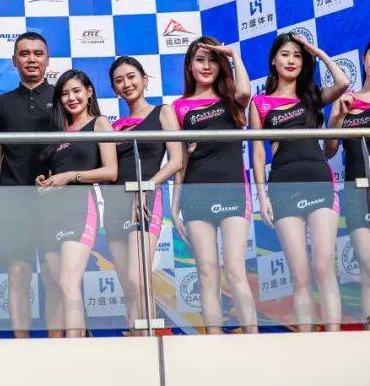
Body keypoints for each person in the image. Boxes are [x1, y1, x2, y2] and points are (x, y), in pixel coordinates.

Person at [251, 33, 348, 332]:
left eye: (297, 55)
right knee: (300, 275)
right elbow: (257, 154)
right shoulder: (260, 102)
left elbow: (343, 83)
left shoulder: (311, 96)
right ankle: (306, 345)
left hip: (319, 181)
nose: (291, 60)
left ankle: (334, 342)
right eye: (285, 54)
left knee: (324, 268)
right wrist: (262, 196)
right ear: (273, 60)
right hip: (282, 186)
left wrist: (318, 53)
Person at [170, 36, 257, 334]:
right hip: (195, 194)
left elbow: (245, 91)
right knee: (207, 273)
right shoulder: (178, 107)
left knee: (234, 271)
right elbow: (179, 161)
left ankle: (254, 343)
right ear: (189, 66)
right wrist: (174, 207)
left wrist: (234, 55)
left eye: (212, 60)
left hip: (233, 190)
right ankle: (214, 345)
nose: (206, 66)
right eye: (199, 60)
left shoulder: (231, 98)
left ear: (220, 65)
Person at [0, 31, 55, 337]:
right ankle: (21, 347)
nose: (31, 59)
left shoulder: (63, 97)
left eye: (38, 53)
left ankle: (60, 348)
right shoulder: (2, 103)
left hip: (55, 199)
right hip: (14, 200)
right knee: (17, 273)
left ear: (47, 59)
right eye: (24, 54)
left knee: (55, 275)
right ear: (14, 60)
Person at [36, 69, 116, 337]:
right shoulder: (57, 133)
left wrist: (71, 176)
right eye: (64, 93)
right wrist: (45, 181)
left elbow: (111, 171)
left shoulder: (99, 123)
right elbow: (55, 173)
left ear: (89, 92)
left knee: (68, 283)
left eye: (76, 91)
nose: (71, 98)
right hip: (50, 214)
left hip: (80, 209)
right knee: (54, 287)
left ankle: (75, 354)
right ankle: (59, 352)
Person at [107, 56, 183, 333]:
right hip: (114, 204)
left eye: (131, 77)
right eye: (119, 80)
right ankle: (134, 339)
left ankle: (148, 341)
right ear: (114, 89)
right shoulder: (114, 126)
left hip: (146, 200)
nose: (126, 84)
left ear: (144, 80)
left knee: (137, 277)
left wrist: (146, 187)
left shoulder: (162, 112)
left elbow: (176, 160)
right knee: (127, 286)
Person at [327, 41, 370, 327]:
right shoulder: (347, 100)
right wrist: (340, 117)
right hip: (357, 190)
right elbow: (329, 150)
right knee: (367, 267)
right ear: (365, 60)